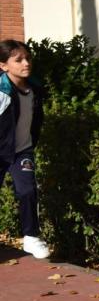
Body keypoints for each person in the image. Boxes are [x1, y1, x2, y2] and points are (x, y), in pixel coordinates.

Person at [0, 40, 48, 260]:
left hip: (22, 151)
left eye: (27, 58)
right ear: (4, 66)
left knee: (28, 190)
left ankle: (31, 237)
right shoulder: (2, 92)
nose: (26, 63)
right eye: (18, 60)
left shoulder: (35, 88)